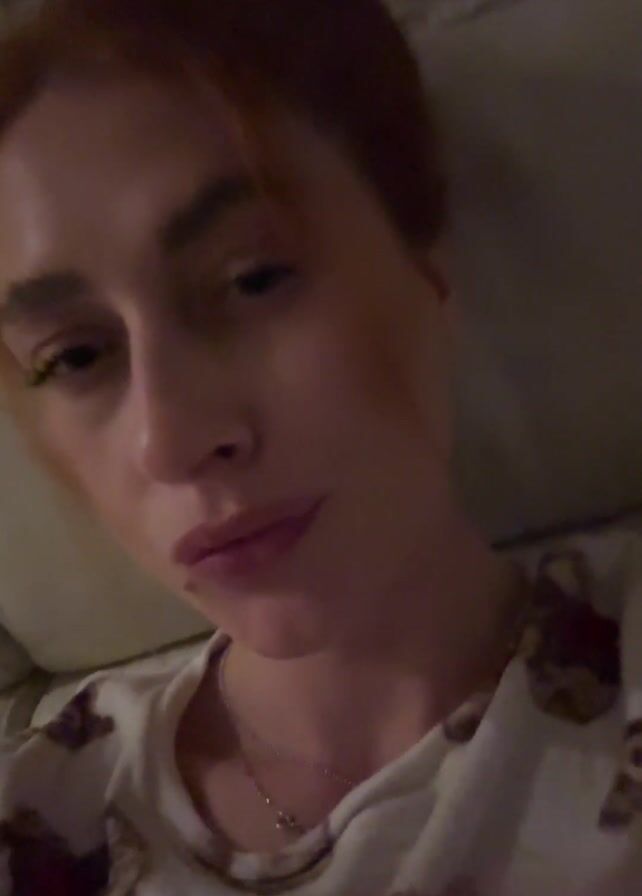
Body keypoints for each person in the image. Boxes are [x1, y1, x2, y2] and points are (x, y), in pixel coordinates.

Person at [0, 1, 639, 893]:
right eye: (75, 357)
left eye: (253, 279)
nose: (168, 439)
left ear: (426, 264)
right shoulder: (38, 815)